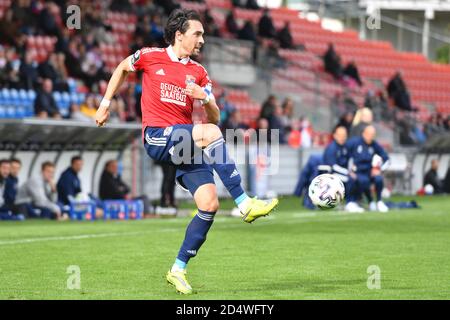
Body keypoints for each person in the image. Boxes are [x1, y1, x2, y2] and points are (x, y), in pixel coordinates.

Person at [94, 9, 278, 295]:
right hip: (156, 136)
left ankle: (177, 269)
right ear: (179, 35)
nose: (202, 39)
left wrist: (204, 99)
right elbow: (121, 67)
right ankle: (244, 203)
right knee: (211, 133)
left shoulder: (199, 73)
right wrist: (105, 103)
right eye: (198, 33)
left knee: (209, 204)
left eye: (203, 34)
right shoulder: (149, 56)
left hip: (184, 144)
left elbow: (215, 117)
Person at [346, 125, 390, 212]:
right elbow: (346, 156)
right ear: (363, 133)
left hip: (369, 172)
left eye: (373, 134)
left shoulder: (374, 145)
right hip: (357, 172)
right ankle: (352, 202)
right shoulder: (354, 143)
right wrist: (349, 170)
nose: (371, 136)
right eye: (369, 134)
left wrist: (379, 169)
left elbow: (386, 159)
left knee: (378, 179)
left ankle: (379, 202)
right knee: (361, 180)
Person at [323, 126, 357, 212]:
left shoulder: (346, 147)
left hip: (343, 173)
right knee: (350, 179)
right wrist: (348, 172)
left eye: (344, 135)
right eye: (340, 135)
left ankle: (355, 201)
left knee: (359, 178)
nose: (342, 138)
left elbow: (350, 160)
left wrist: (353, 168)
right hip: (331, 174)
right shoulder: (331, 148)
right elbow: (333, 166)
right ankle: (349, 202)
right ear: (335, 135)